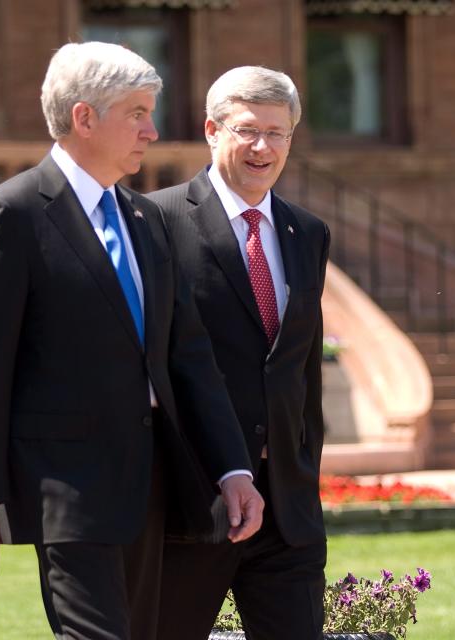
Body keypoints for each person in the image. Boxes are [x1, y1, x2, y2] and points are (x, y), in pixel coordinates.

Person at [0, 43, 264, 640]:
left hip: (151, 487)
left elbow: (190, 358)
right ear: (84, 118)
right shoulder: (11, 215)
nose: (152, 129)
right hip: (66, 491)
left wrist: (232, 469)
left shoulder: (146, 220)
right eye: (137, 113)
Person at [148, 66, 331, 640]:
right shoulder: (156, 220)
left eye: (277, 133)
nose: (263, 147)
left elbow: (300, 366)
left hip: (288, 512)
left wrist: (303, 463)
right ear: (211, 130)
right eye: (247, 130)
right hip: (193, 507)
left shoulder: (308, 233)